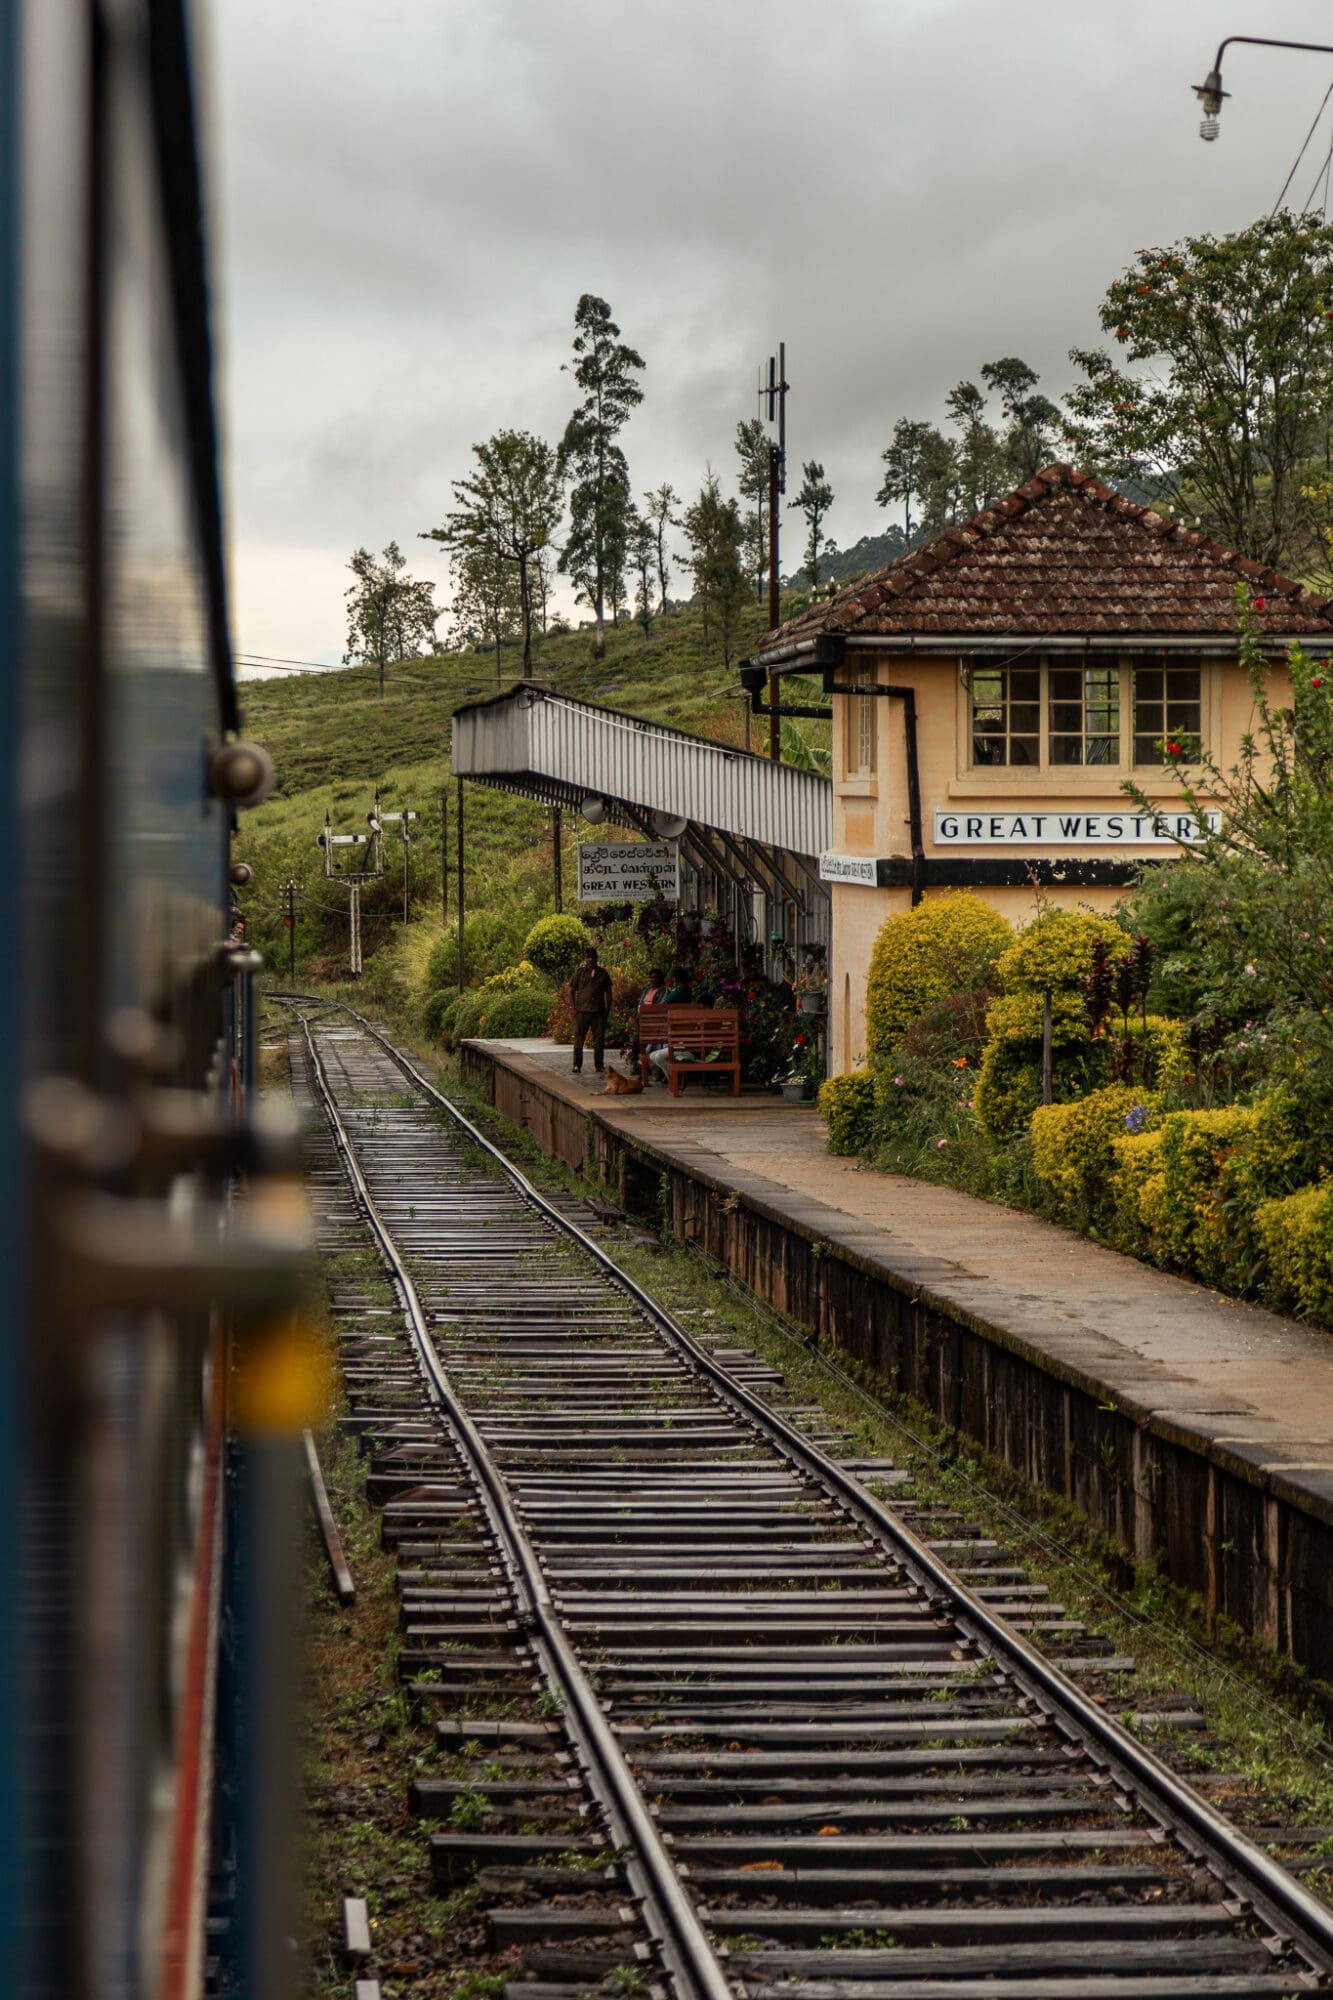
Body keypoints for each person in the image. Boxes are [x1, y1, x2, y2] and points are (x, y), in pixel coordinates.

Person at [568, 945, 613, 1075]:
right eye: (588, 957)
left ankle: (599, 1065)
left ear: (596, 958)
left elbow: (608, 992)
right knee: (578, 1039)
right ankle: (577, 1065)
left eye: (593, 957)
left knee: (599, 1040)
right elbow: (571, 990)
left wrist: (607, 1009)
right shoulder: (579, 972)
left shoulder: (603, 973)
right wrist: (573, 1008)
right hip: (582, 1011)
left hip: (598, 1012)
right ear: (585, 958)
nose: (591, 960)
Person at [646, 964, 693, 1082]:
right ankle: (672, 1077)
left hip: (675, 1026)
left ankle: (673, 1078)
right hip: (684, 1026)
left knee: (656, 1048)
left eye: (673, 977)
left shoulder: (679, 990)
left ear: (676, 978)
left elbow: (664, 1003)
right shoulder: (687, 990)